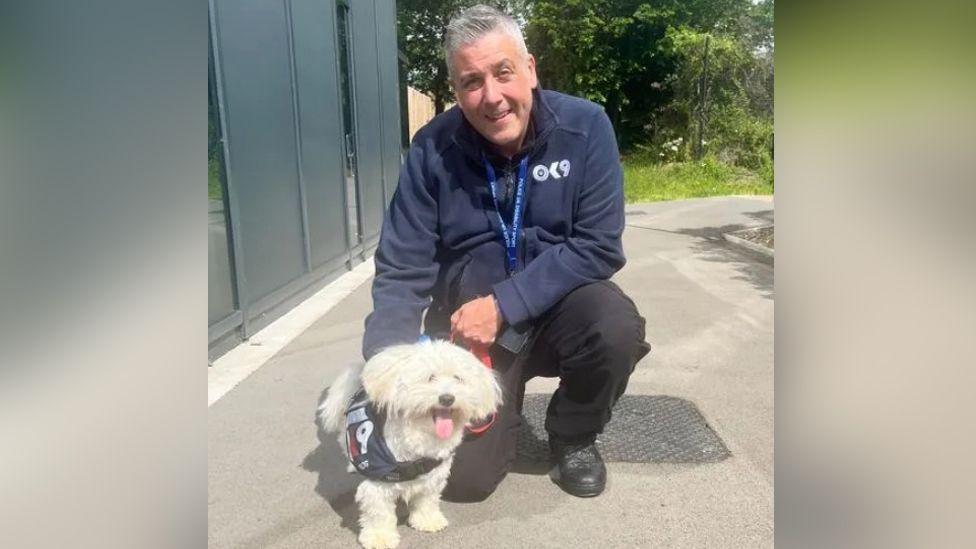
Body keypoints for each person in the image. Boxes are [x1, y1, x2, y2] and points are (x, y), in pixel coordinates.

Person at [362, 4, 651, 501]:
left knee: (614, 328)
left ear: (530, 70)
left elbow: (598, 245)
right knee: (464, 483)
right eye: (471, 82)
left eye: (503, 73)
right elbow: (402, 267)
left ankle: (574, 436)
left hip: (560, 307)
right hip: (466, 328)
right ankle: (501, 416)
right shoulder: (431, 150)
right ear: (455, 91)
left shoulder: (586, 128)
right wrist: (381, 369)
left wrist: (503, 305)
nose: (491, 97)